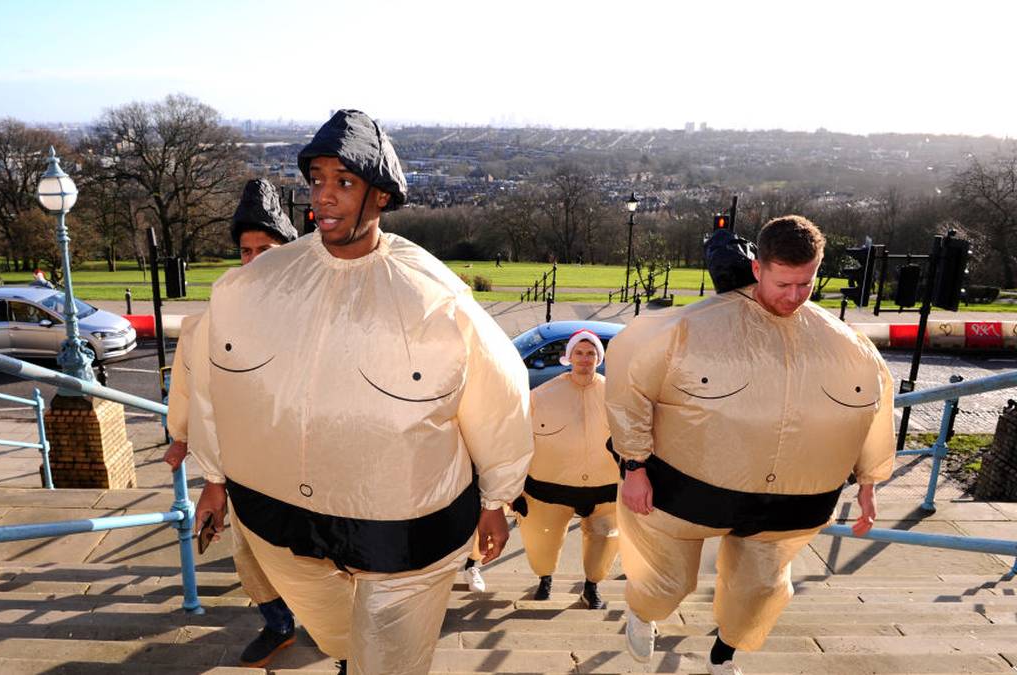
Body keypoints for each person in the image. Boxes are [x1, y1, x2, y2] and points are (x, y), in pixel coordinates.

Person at [190, 109, 534, 675]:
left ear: (381, 196)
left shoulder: (436, 298)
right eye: (317, 180)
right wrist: (213, 478)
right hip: (282, 520)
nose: (324, 198)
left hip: (404, 531)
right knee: (339, 639)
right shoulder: (250, 289)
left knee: (388, 661)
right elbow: (216, 388)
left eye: (344, 183)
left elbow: (501, 402)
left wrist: (496, 501)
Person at [606, 215, 895, 675]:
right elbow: (630, 385)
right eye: (784, 283)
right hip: (685, 488)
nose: (795, 296)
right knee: (667, 579)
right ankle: (643, 612)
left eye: (806, 283)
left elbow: (872, 408)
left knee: (761, 589)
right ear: (758, 268)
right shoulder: (691, 327)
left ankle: (723, 654)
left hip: (788, 501)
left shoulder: (847, 346)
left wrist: (870, 480)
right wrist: (635, 464)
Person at [164, 177, 298, 667]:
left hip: (310, 465)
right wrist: (181, 435)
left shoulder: (317, 316)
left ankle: (340, 634)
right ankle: (279, 624)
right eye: (246, 251)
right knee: (250, 552)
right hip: (243, 467)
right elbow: (190, 384)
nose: (255, 260)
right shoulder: (207, 325)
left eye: (267, 249)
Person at [513, 329, 619, 610]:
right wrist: (513, 488)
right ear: (568, 357)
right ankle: (545, 579)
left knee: (605, 540)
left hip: (605, 490)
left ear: (599, 358)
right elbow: (519, 444)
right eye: (579, 353)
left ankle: (591, 587)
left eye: (591, 353)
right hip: (548, 488)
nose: (584, 359)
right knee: (541, 544)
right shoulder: (541, 396)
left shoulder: (616, 396)